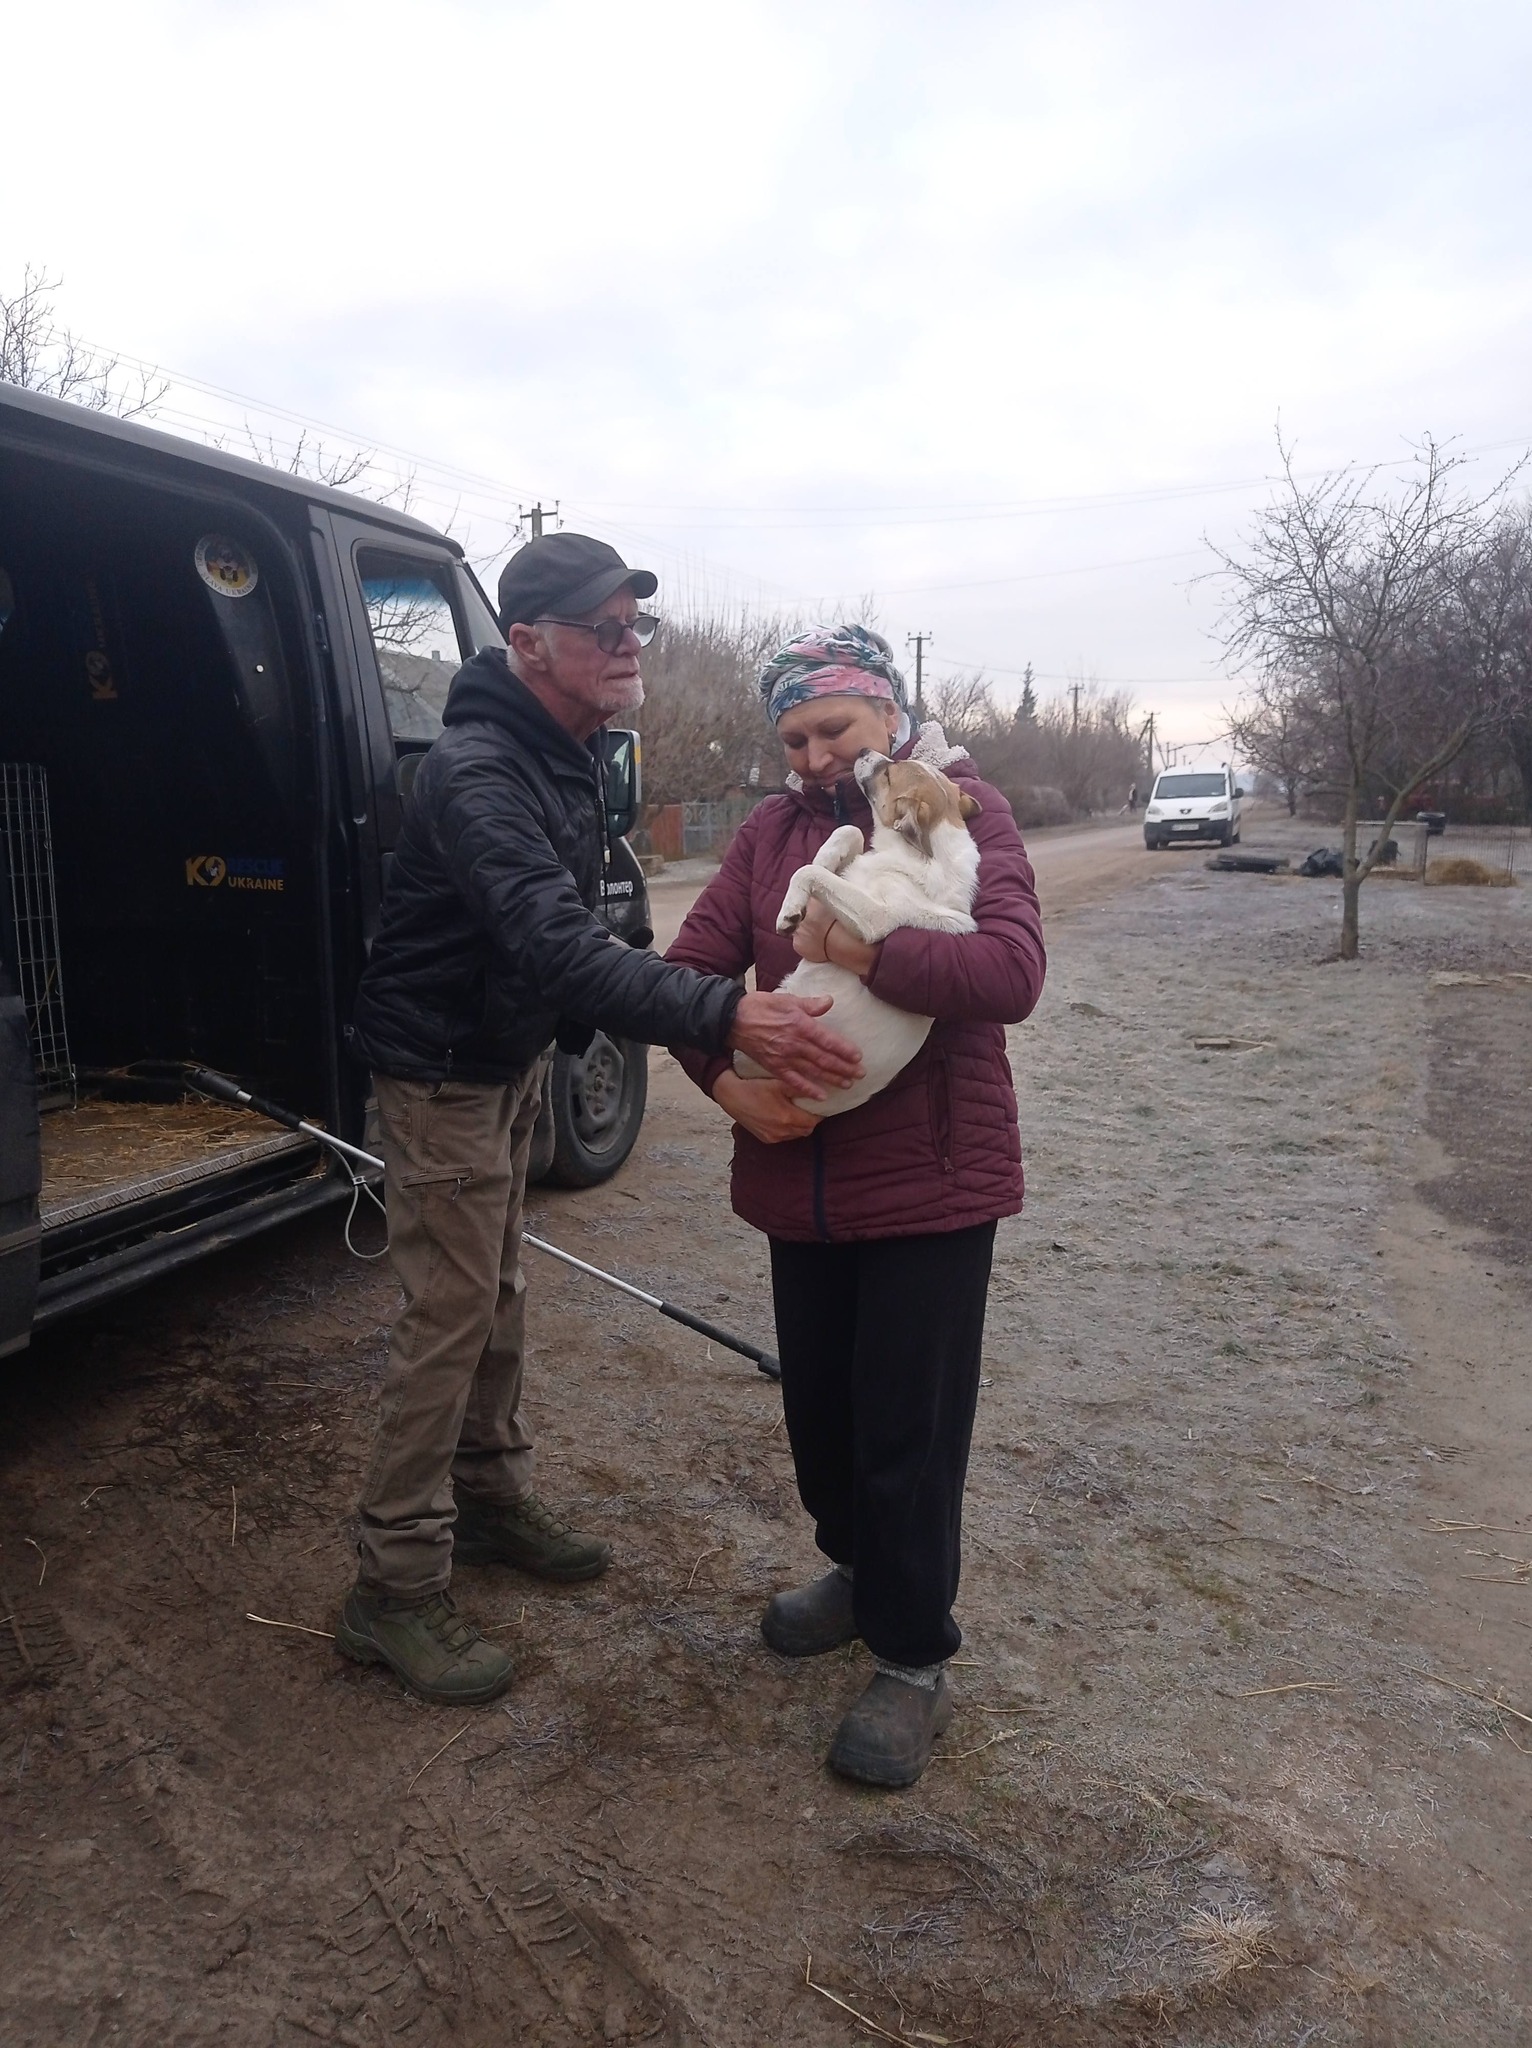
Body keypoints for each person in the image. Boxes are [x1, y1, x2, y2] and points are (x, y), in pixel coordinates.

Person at [338, 536, 863, 1706]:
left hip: (500, 1058)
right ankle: (392, 1584)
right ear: (528, 644)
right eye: (604, 628)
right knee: (447, 1318)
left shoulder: (564, 751)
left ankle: (486, 1498)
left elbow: (572, 939)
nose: (630, 646)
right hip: (440, 1073)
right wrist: (728, 1013)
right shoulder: (480, 771)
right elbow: (555, 944)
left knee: (496, 1296)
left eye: (636, 625)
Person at [666, 625, 1046, 1788]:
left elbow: (1009, 972)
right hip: (799, 1179)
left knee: (905, 1433)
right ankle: (853, 1567)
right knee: (820, 1416)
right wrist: (728, 1082)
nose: (814, 755)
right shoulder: (769, 833)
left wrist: (864, 953)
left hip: (930, 1184)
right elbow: (687, 977)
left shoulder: (958, 809)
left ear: (886, 712)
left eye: (831, 727)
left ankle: (910, 1651)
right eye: (792, 738)